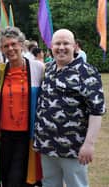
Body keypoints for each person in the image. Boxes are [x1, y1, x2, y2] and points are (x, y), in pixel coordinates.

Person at [33, 29, 106, 187]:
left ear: (75, 46)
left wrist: (89, 144)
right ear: (51, 47)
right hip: (47, 146)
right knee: (49, 184)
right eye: (57, 43)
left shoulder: (87, 72)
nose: (61, 47)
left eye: (66, 43)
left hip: (73, 148)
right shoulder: (49, 70)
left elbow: (97, 111)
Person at [0, 26, 44, 187]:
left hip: (26, 136)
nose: (10, 49)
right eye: (6, 46)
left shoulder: (38, 68)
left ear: (21, 44)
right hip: (3, 136)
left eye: (13, 44)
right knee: (5, 179)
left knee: (19, 179)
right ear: (1, 49)